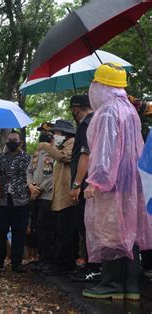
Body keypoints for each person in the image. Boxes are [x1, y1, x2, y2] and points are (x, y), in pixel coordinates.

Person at [82, 63, 152, 300]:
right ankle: (130, 286)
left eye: (95, 83)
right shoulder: (129, 110)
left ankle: (111, 283)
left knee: (110, 231)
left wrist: (95, 182)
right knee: (128, 230)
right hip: (130, 184)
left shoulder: (109, 111)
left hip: (110, 183)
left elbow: (105, 150)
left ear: (102, 86)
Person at [67, 95, 101, 283]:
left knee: (87, 226)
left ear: (75, 109)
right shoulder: (98, 119)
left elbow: (85, 155)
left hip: (87, 184)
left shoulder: (86, 124)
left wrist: (77, 184)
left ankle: (93, 267)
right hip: (95, 183)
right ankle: (92, 265)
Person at [38, 120, 76, 275]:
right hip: (59, 196)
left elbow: (63, 157)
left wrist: (46, 146)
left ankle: (65, 264)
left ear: (64, 133)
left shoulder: (72, 143)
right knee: (60, 231)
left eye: (56, 133)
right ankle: (60, 262)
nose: (53, 135)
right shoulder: (61, 146)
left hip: (67, 197)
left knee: (66, 233)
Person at [0, 131, 31, 273]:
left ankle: (17, 262)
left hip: (21, 200)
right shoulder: (0, 158)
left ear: (20, 142)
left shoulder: (26, 158)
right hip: (3, 200)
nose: (12, 142)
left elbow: (29, 176)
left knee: (19, 232)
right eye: (9, 140)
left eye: (14, 140)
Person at [27, 123, 55, 271]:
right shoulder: (36, 154)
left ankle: (50, 259)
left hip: (47, 195)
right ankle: (42, 257)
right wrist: (31, 186)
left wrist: (41, 188)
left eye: (46, 132)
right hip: (34, 195)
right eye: (42, 132)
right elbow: (29, 172)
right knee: (38, 227)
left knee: (47, 228)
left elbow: (54, 175)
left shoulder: (55, 152)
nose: (43, 134)